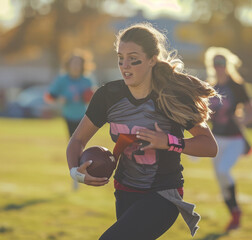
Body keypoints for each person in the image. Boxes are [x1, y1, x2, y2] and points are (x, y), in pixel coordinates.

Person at [66, 22, 219, 239]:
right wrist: (76, 173)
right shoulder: (107, 96)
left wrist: (168, 142)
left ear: (151, 60)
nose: (125, 65)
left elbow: (209, 146)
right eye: (120, 58)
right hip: (125, 192)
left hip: (164, 195)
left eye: (133, 59)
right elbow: (77, 141)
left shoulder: (172, 97)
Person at [204, 47, 252, 232]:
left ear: (227, 65)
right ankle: (235, 213)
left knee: (223, 170)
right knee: (221, 181)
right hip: (216, 139)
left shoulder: (237, 86)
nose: (218, 67)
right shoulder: (209, 87)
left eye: (221, 63)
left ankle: (235, 212)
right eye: (215, 63)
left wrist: (242, 119)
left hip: (235, 139)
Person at [45, 49, 95, 190]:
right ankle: (76, 174)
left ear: (83, 65)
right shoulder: (62, 79)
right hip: (68, 116)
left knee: (81, 146)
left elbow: (93, 97)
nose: (76, 66)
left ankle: (80, 172)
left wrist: (91, 95)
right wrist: (59, 99)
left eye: (78, 63)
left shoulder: (87, 80)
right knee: (73, 145)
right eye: (73, 63)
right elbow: (49, 97)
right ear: (68, 64)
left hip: (84, 117)